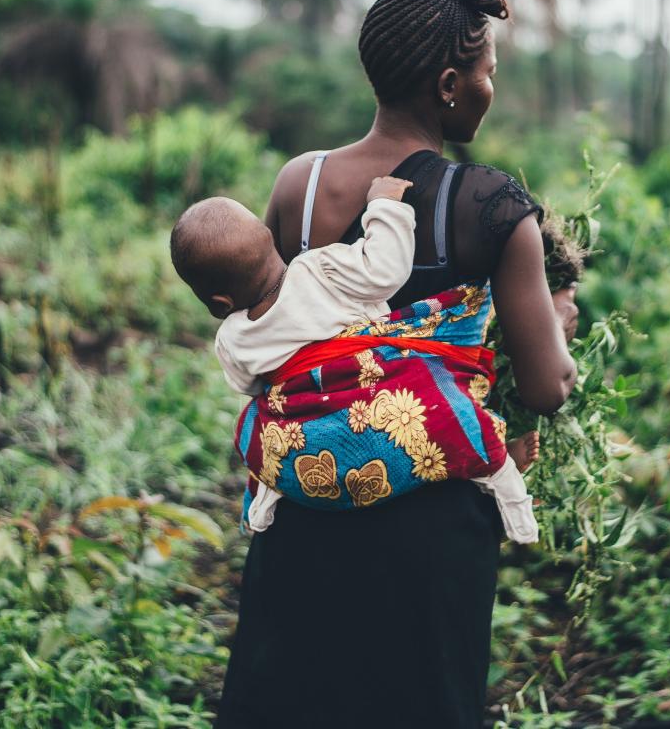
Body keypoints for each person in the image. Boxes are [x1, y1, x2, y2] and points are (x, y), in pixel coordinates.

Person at [216, 0, 577, 729]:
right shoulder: (491, 206)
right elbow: (545, 390)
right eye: (487, 74)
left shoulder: (299, 186)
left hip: (306, 504)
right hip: (429, 529)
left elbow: (284, 329)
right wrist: (559, 324)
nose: (490, 88)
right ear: (450, 85)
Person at [169, 175, 542, 543]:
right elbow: (385, 270)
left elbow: (252, 387)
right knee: (447, 410)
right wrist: (384, 205)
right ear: (270, 241)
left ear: (219, 303)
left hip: (310, 443)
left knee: (256, 427)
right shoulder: (318, 269)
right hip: (378, 402)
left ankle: (267, 496)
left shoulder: (232, 338)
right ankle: (504, 482)